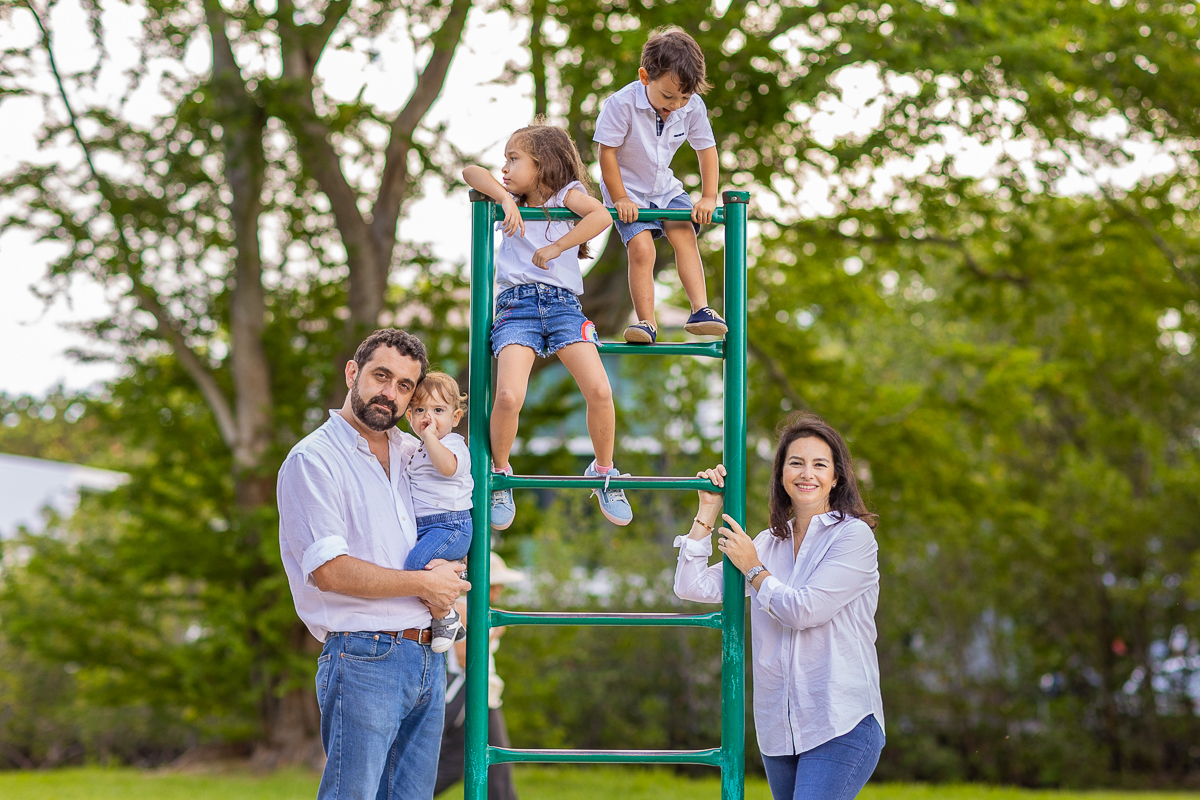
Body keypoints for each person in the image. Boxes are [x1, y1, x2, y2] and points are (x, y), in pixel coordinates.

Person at [277, 328, 472, 800]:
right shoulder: (314, 459)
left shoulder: (416, 452)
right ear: (352, 373)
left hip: (428, 657)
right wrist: (426, 585)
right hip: (364, 657)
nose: (391, 393)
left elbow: (456, 504)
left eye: (405, 385)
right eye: (381, 376)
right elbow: (331, 571)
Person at [674, 411, 885, 800]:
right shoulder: (767, 542)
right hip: (779, 731)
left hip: (840, 721)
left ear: (836, 477)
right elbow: (690, 586)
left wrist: (753, 568)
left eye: (820, 464)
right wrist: (707, 511)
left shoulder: (852, 538)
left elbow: (803, 611)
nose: (808, 473)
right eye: (796, 463)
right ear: (781, 474)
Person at [462, 122, 633, 531]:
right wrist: (504, 198)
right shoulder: (511, 198)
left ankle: (604, 471)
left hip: (563, 308)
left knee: (599, 390)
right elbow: (471, 172)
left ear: (542, 163)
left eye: (514, 159)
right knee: (506, 395)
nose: (504, 167)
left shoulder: (565, 195)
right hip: (516, 308)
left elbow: (601, 216)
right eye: (504, 159)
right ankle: (500, 474)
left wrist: (557, 246)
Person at [593, 26, 727, 345]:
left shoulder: (691, 107)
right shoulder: (621, 104)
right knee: (642, 248)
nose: (676, 104)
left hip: (666, 189)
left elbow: (706, 150)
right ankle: (646, 322)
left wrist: (708, 197)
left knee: (684, 235)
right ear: (644, 77)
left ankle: (700, 310)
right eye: (668, 95)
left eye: (684, 96)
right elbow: (606, 154)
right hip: (626, 190)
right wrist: (621, 197)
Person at [435, 552, 525, 800]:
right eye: (495, 585)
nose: (499, 592)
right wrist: (494, 629)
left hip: (476, 692)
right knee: (493, 768)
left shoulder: (465, 606)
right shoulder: (464, 608)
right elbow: (465, 655)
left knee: (459, 764)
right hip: (470, 692)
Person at [404, 372, 474, 653]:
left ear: (455, 417)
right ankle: (448, 605)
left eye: (437, 410)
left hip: (451, 525)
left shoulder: (452, 443)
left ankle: (446, 615)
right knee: (423, 571)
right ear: (409, 415)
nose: (427, 417)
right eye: (419, 410)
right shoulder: (419, 449)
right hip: (429, 527)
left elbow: (446, 468)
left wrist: (431, 436)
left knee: (413, 570)